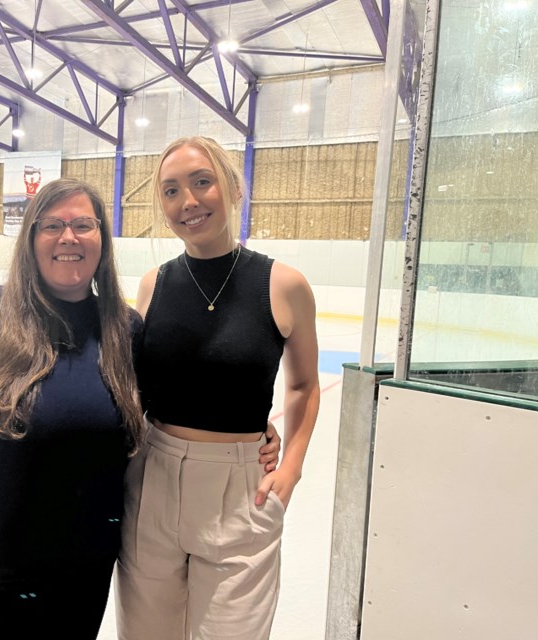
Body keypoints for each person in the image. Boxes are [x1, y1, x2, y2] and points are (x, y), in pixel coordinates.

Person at [115, 136, 321, 640]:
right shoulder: (153, 285)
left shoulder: (284, 284)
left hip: (241, 493)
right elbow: (137, 388)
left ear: (231, 187)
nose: (188, 201)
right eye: (170, 191)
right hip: (153, 481)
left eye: (201, 182)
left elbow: (304, 385)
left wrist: (290, 469)